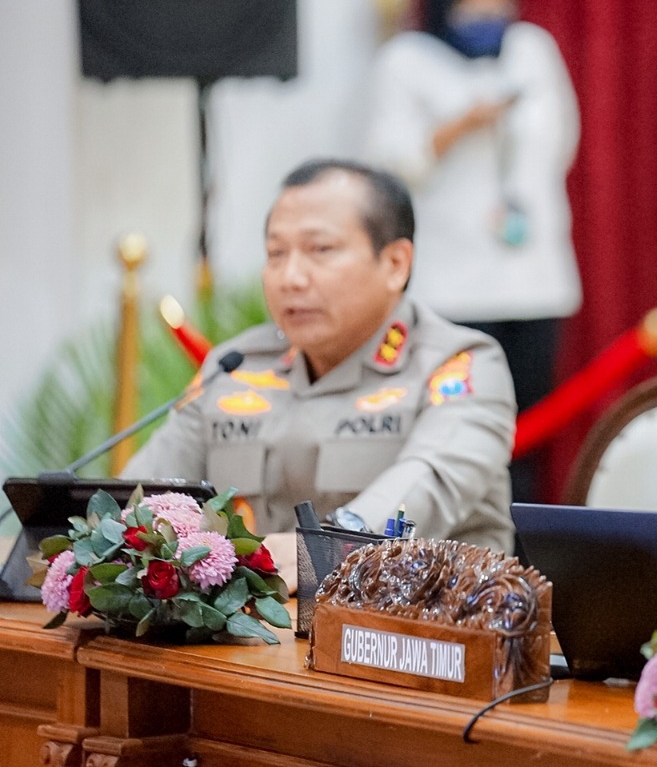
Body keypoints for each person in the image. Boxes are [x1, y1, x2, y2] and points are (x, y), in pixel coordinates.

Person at [123, 159, 517, 558]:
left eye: (320, 250)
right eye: (276, 253)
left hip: (418, 615)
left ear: (396, 264)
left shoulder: (458, 365)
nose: (291, 277)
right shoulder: (237, 367)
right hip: (257, 621)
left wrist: (318, 554)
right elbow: (139, 501)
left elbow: (430, 480)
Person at [364, 0, 580, 504]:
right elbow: (389, 167)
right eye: (472, 4)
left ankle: (529, 541)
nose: (487, 17)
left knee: (531, 424)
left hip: (533, 275)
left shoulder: (532, 48)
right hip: (452, 282)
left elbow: (561, 142)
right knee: (453, 428)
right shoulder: (405, 61)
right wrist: (457, 126)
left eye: (496, 1)